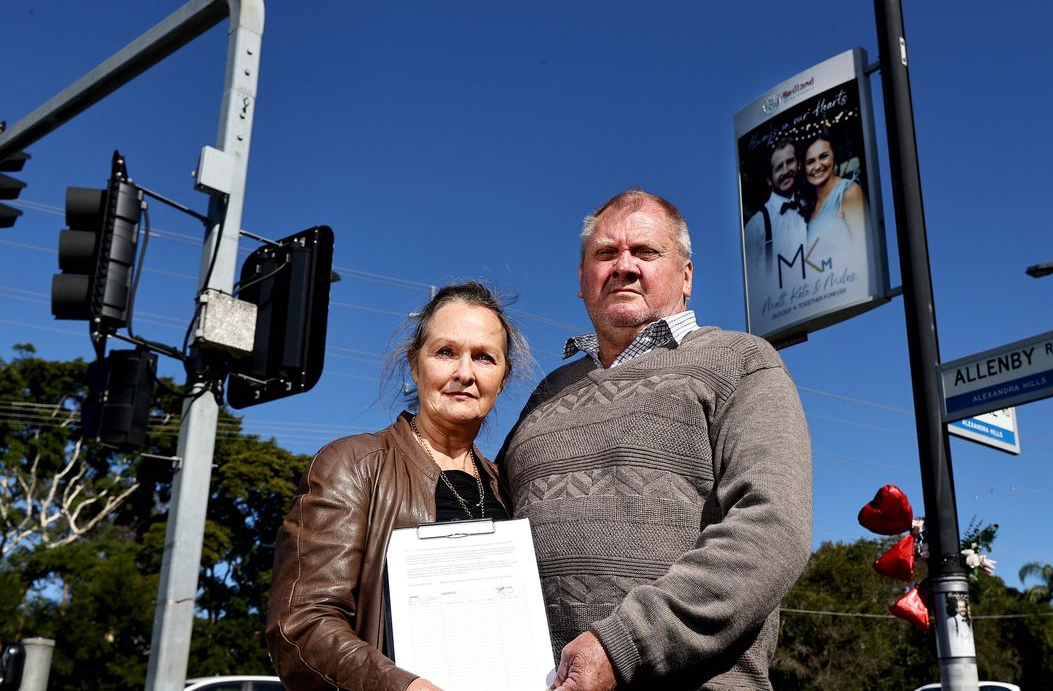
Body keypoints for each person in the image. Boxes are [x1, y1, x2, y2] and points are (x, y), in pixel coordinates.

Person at [499, 189, 813, 690]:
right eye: (606, 254)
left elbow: (771, 528)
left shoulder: (741, 362)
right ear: (582, 281)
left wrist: (620, 644)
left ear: (686, 276)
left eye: (645, 252)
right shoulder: (545, 394)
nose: (623, 267)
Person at [266, 281, 530, 691]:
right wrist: (403, 687)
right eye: (446, 352)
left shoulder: (508, 486)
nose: (464, 373)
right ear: (414, 364)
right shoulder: (352, 465)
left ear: (503, 376)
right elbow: (301, 626)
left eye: (484, 357)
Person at [743, 138, 810, 296]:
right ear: (769, 180)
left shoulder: (813, 204)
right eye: (779, 167)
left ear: (799, 165)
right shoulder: (756, 226)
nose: (786, 171)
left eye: (790, 162)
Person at [801, 134, 867, 268]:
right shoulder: (809, 205)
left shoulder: (849, 192)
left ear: (834, 158)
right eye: (810, 161)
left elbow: (865, 251)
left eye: (823, 156)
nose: (817, 166)